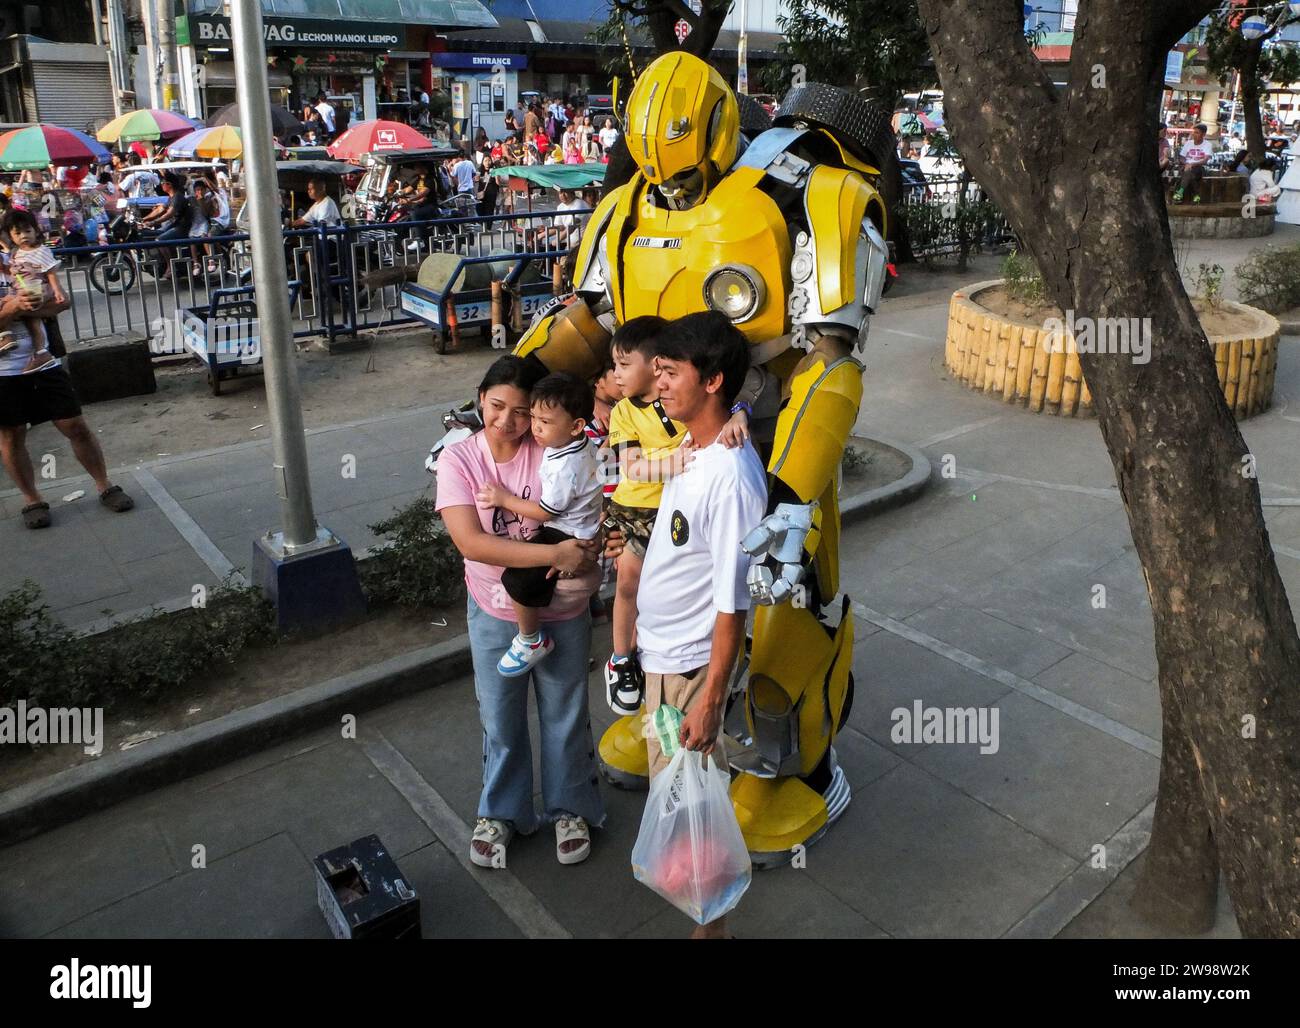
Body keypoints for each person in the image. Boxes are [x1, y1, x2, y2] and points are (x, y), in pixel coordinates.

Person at [436, 355, 605, 869]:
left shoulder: (556, 448)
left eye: (523, 411)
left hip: (563, 606)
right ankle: (502, 813)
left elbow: (600, 493)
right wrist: (556, 554)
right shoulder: (459, 459)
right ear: (479, 398)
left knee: (565, 710)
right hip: (493, 609)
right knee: (500, 716)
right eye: (496, 406)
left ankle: (569, 807)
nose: (509, 421)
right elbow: (472, 542)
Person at [634, 314, 765, 939]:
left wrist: (711, 698)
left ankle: (711, 933)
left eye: (669, 372)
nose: (657, 384)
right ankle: (706, 927)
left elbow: (731, 603)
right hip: (664, 661)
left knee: (694, 815)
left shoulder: (732, 477)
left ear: (711, 380)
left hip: (689, 671)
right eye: (656, 370)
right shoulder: (696, 449)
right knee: (682, 810)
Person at [475, 372, 602, 676]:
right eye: (532, 417)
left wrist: (503, 499)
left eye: (544, 422)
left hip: (565, 532)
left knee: (518, 579)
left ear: (576, 426)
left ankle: (530, 639)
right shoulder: (577, 445)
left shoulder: (565, 467)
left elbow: (545, 513)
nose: (535, 428)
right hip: (581, 527)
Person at [0, 264, 134, 529]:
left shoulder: (20, 261)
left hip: (44, 363)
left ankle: (104, 485)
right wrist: (13, 308)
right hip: (3, 371)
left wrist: (33, 304)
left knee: (74, 425)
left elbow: (61, 303)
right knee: (12, 434)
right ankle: (32, 499)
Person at [0, 208, 67, 374]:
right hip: (5, 372)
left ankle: (41, 353)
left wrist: (25, 307)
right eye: (17, 233)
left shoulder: (18, 258)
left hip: (45, 367)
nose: (23, 236)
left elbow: (63, 302)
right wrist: (16, 306)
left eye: (27, 231)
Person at [1173, 123, 1215, 203]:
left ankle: (1180, 192)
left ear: (1203, 134)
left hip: (1199, 167)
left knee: (1189, 172)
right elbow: (1182, 157)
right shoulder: (1188, 143)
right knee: (1189, 173)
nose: (1194, 135)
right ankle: (1196, 195)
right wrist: (1186, 164)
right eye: (1194, 132)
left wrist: (1192, 164)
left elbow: (1205, 160)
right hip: (1186, 166)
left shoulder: (1208, 144)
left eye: (1197, 133)